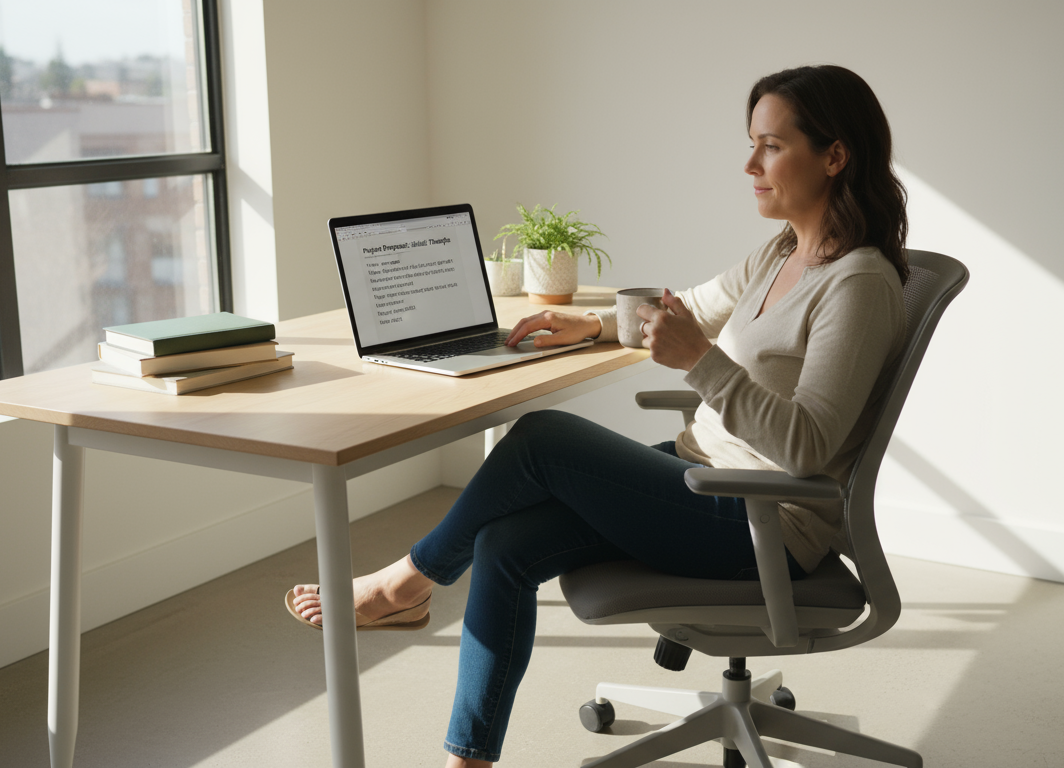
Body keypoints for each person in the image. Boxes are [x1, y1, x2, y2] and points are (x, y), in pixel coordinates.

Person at [285, 64, 909, 767]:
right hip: (704, 478)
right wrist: (594, 325)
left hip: (765, 523)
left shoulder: (858, 284)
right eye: (751, 144)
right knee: (504, 544)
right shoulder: (782, 252)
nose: (749, 165)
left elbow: (809, 446)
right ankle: (468, 761)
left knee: (541, 438)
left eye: (771, 146)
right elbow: (688, 310)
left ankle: (405, 584)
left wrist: (701, 362)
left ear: (834, 156)